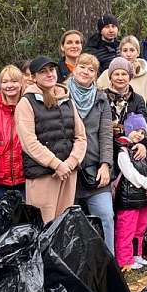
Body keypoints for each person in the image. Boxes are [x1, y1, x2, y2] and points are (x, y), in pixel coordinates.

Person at [16, 56, 88, 222]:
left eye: (51, 70)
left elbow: (81, 137)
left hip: (68, 173)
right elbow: (29, 143)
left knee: (63, 228)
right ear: (33, 77)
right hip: (43, 175)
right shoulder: (26, 103)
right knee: (43, 227)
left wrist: (70, 163)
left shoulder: (66, 99)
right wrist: (56, 164)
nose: (49, 74)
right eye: (43, 72)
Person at [66, 53, 116, 255]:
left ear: (96, 75)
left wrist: (105, 165)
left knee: (105, 215)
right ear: (74, 68)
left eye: (91, 69)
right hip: (67, 170)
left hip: (94, 169)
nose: (86, 72)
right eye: (82, 67)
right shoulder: (61, 94)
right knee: (68, 220)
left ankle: (109, 263)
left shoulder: (101, 99)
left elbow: (106, 135)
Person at [114, 113, 147, 270]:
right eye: (137, 130)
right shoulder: (122, 151)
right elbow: (130, 174)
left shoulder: (143, 152)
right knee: (126, 229)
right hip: (128, 199)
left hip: (143, 198)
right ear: (128, 128)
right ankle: (124, 259)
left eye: (142, 132)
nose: (139, 135)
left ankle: (136, 254)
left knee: (140, 228)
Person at [0, 65, 26, 202]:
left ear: (21, 83)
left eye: (14, 81)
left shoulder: (29, 107)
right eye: (5, 82)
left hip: (25, 176)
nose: (9, 85)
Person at [102, 56, 147, 164]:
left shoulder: (137, 99)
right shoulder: (101, 97)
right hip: (106, 149)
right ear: (110, 77)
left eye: (124, 74)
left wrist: (143, 144)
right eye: (116, 74)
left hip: (130, 150)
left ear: (130, 77)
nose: (120, 78)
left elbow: (144, 126)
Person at [96, 35, 147, 101]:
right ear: (120, 53)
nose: (128, 54)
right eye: (125, 50)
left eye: (132, 50)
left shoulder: (146, 78)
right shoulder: (106, 74)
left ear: (138, 53)